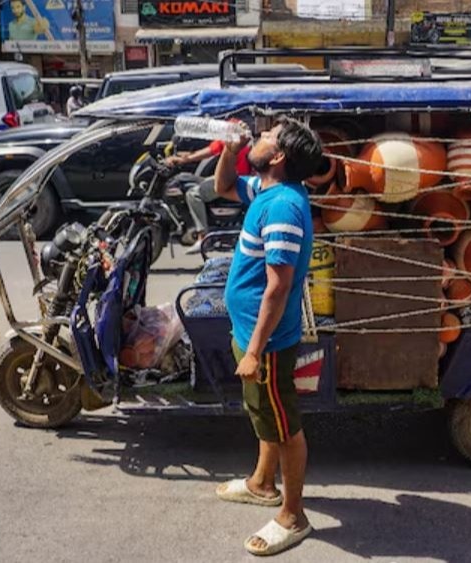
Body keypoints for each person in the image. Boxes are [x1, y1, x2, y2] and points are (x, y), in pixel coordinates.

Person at [213, 117, 322, 556]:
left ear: (278, 157)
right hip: (252, 333)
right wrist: (227, 147)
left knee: (283, 425)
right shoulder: (266, 190)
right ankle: (261, 483)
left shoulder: (283, 208)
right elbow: (223, 188)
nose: (256, 139)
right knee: (264, 416)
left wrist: (255, 350)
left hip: (269, 344)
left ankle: (293, 516)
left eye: (264, 137)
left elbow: (278, 287)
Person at [167, 125, 253, 254]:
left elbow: (209, 151)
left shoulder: (230, 129)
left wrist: (183, 159)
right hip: (238, 176)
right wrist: (185, 157)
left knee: (193, 194)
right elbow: (211, 149)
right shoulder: (235, 128)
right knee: (195, 180)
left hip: (234, 178)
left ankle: (202, 237)